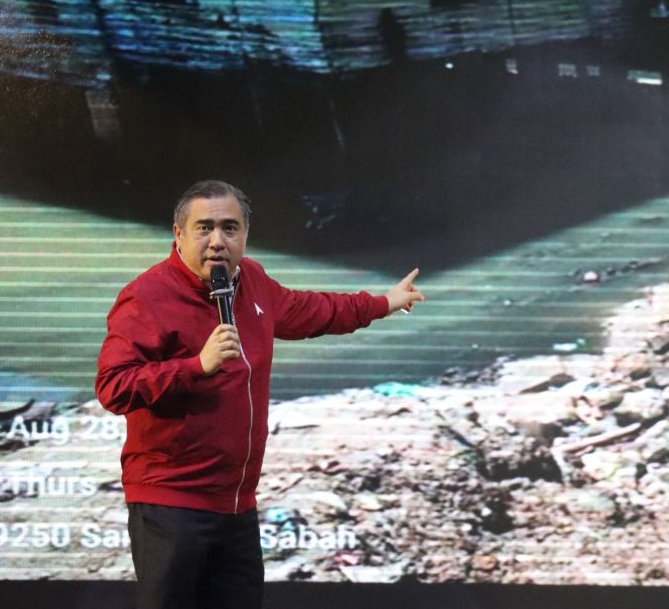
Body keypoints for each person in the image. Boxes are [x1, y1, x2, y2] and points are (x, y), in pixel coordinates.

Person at [96, 180, 424, 609]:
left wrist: (384, 303)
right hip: (172, 504)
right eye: (204, 228)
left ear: (245, 234)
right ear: (179, 234)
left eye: (229, 228)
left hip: (237, 507)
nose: (217, 241)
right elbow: (114, 386)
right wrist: (197, 366)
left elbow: (316, 311)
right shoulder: (147, 296)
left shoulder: (252, 281)